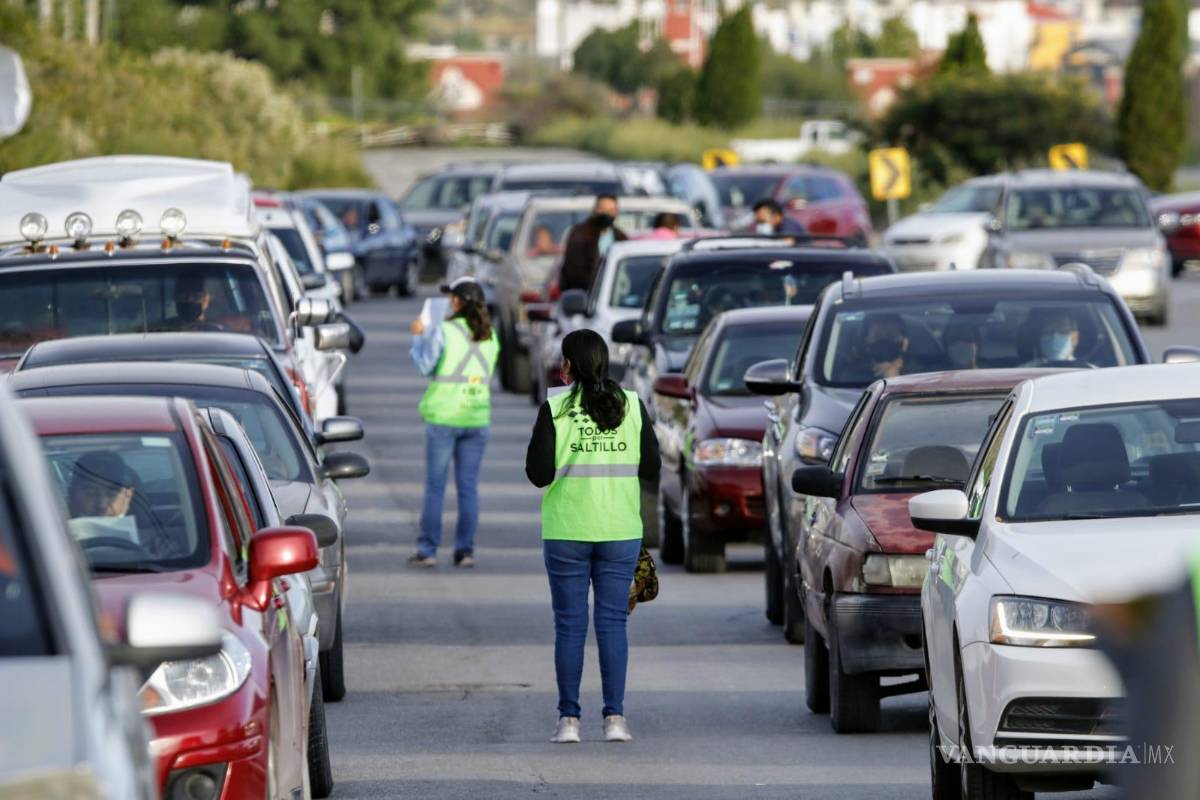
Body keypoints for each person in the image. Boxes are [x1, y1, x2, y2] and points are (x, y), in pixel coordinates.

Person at [525, 329, 660, 744]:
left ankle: (569, 721)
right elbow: (652, 466)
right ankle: (615, 719)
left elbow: (539, 474)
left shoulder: (555, 408)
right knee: (612, 625)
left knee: (569, 626)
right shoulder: (633, 406)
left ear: (568, 366)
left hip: (568, 530)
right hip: (619, 531)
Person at [408, 277, 500, 568]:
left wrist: (418, 335)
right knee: (468, 487)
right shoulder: (491, 336)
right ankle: (465, 551)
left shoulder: (444, 331)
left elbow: (425, 365)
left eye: (451, 297)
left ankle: (428, 549)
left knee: (436, 486)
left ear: (457, 302)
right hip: (476, 417)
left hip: (444, 416)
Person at [559, 195, 628, 292]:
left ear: (616, 212)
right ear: (595, 210)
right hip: (584, 292)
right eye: (602, 209)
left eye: (611, 210)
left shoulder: (620, 236)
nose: (606, 214)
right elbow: (574, 270)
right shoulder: (580, 234)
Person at [861, 313, 909, 379]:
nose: (884, 341)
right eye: (877, 336)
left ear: (905, 342)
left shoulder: (919, 375)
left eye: (892, 336)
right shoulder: (851, 376)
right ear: (866, 342)